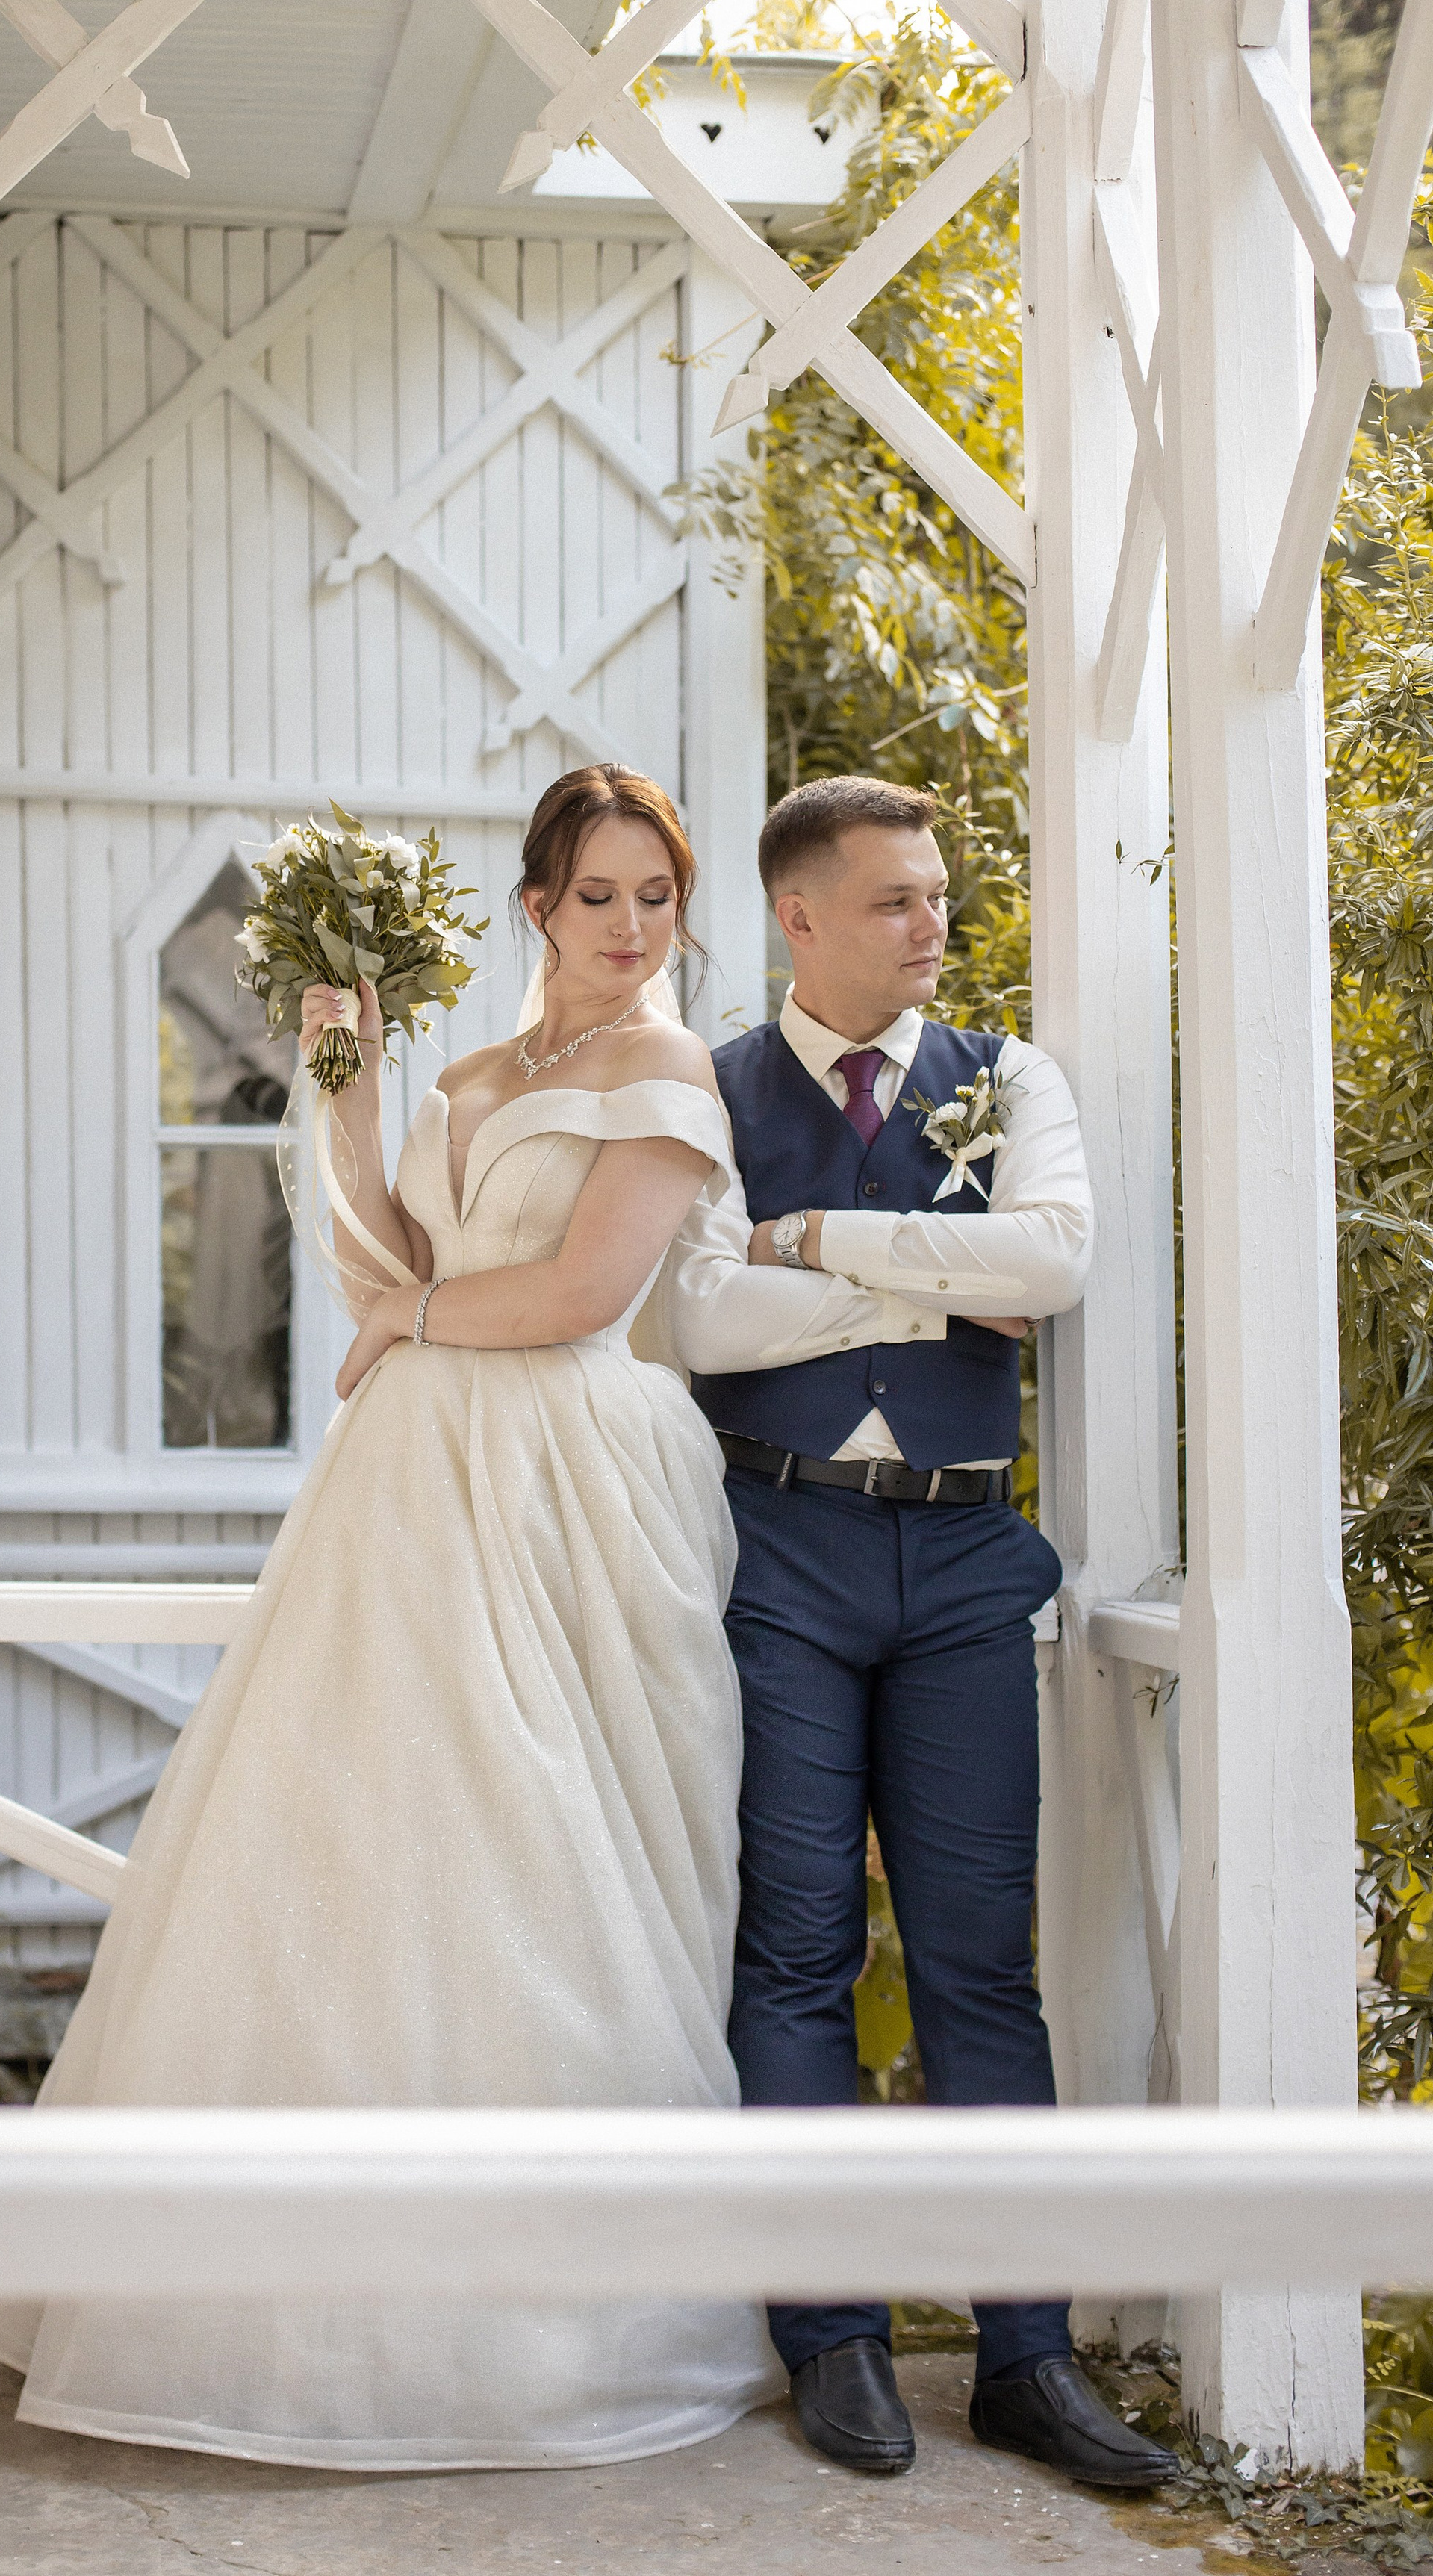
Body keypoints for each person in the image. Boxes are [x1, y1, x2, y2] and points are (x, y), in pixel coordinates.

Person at [0, 765, 783, 2467]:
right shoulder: (469, 1073)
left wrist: (407, 1312)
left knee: (550, 1845)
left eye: (656, 898)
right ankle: (265, 2306)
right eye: (597, 895)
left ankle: (545, 2323)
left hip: (570, 1477)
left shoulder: (666, 1070)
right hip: (403, 1473)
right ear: (534, 905)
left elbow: (576, 1292)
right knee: (351, 1830)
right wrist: (350, 1081)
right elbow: (374, 1261)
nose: (629, 930)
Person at [664, 774, 1175, 2494]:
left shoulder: (1006, 1076)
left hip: (965, 1566)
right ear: (797, 918)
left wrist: (813, 1239)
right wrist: (923, 1266)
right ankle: (834, 2336)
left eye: (935, 893)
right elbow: (693, 1313)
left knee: (975, 1959)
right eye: (891, 898)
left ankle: (1026, 2354)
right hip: (778, 1548)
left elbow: (1047, 1264)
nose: (930, 923)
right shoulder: (708, 1089)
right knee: (796, 1948)